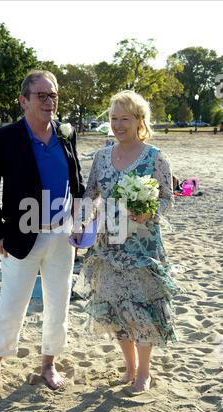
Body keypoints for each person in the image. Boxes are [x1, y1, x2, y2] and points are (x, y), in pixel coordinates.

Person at [0, 70, 85, 402]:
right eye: (41, 95)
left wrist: (79, 223)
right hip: (21, 236)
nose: (49, 101)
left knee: (58, 305)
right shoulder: (4, 137)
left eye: (53, 95)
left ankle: (48, 364)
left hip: (62, 238)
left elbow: (77, 183)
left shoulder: (66, 135)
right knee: (11, 306)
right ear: (24, 101)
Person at [72, 90, 179, 395]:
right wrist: (83, 221)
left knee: (143, 308)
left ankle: (144, 372)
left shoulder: (156, 157)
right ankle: (129, 367)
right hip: (109, 246)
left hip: (143, 247)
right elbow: (92, 193)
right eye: (114, 118)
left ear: (139, 121)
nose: (118, 125)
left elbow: (168, 199)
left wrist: (149, 213)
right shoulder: (102, 156)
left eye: (125, 119)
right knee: (116, 308)